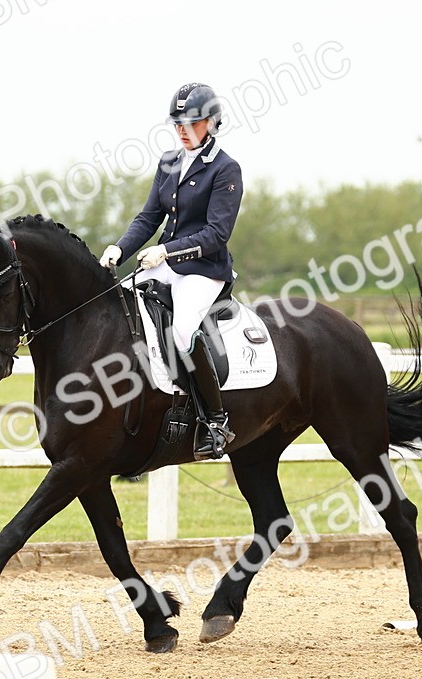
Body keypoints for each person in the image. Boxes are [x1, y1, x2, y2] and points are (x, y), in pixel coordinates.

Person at [100, 82, 244, 460]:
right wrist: (120, 247)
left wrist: (165, 251)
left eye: (191, 122)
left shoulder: (226, 169)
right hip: (164, 265)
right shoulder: (168, 162)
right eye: (177, 122)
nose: (182, 129)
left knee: (182, 332)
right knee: (121, 307)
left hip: (203, 270)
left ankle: (216, 421)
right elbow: (149, 216)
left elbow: (217, 233)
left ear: (212, 123)